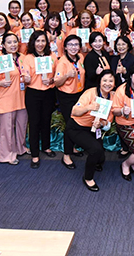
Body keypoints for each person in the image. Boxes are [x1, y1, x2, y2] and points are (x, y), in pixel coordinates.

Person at [69, 69, 115, 191]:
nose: (107, 84)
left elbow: (108, 124)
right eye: (105, 80)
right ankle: (88, 178)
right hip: (77, 127)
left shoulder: (112, 97)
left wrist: (101, 123)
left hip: (94, 129)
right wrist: (89, 107)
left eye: (111, 81)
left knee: (101, 158)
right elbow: (74, 111)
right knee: (95, 150)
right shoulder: (90, 93)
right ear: (99, 81)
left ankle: (96, 162)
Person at [0, 32, 29, 165]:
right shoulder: (0, 60)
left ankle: (20, 148)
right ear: (3, 45)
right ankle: (7, 155)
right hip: (6, 98)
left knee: (21, 125)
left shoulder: (23, 58)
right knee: (7, 129)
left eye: (15, 42)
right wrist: (0, 82)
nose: (13, 45)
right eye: (9, 42)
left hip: (21, 97)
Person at [22, 31, 58, 169]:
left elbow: (57, 74)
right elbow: (25, 75)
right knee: (34, 123)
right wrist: (26, 78)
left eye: (43, 41)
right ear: (33, 42)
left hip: (49, 92)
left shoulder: (52, 56)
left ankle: (46, 147)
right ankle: (35, 153)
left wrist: (52, 80)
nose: (40, 44)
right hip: (33, 93)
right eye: (37, 41)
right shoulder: (28, 58)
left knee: (46, 120)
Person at [54, 35, 86, 169]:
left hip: (79, 94)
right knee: (70, 125)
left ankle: (72, 148)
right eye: (70, 45)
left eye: (76, 44)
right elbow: (56, 82)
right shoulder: (62, 62)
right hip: (66, 96)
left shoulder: (80, 57)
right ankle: (66, 155)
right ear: (65, 47)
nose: (74, 47)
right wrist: (67, 75)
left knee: (77, 123)